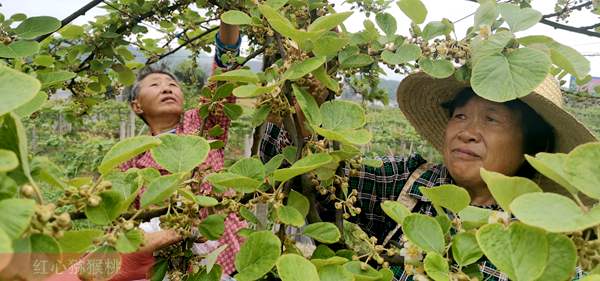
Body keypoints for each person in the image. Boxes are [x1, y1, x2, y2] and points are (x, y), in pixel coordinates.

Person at [259, 72, 597, 280]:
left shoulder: (548, 245)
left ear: (532, 144)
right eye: (461, 115)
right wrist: (301, 113)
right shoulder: (410, 183)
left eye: (492, 119)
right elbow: (302, 173)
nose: (468, 131)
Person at [45, 22, 244, 281]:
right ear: (137, 106)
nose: (166, 87)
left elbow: (223, 79)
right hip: (173, 265)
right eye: (155, 85)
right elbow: (127, 224)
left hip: (226, 252)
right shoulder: (131, 162)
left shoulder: (203, 123)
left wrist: (229, 20)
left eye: (172, 84)